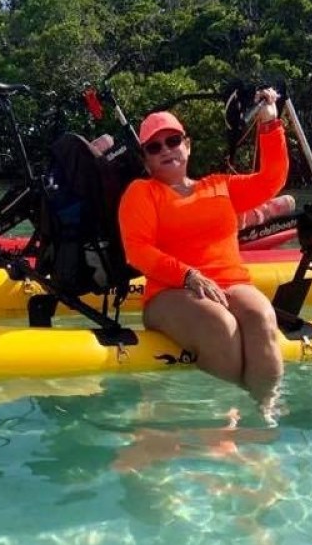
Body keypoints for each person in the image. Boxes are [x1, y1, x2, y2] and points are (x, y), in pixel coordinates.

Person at [117, 88, 290, 416]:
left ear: (188, 144)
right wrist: (188, 275)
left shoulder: (219, 185)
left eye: (173, 141)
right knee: (220, 325)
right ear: (146, 159)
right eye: (154, 147)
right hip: (170, 292)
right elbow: (137, 251)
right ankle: (224, 421)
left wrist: (269, 123)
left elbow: (272, 179)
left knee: (262, 316)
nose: (166, 150)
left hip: (230, 283)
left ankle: (264, 413)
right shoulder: (141, 193)